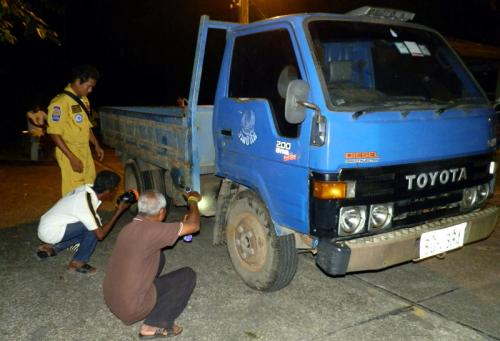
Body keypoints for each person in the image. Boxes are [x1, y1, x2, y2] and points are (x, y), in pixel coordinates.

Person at [103, 190, 201, 338]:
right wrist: (192, 200)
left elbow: (159, 232)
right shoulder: (152, 232)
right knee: (187, 276)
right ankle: (153, 325)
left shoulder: (129, 228)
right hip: (131, 308)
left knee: (159, 256)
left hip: (113, 299)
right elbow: (194, 226)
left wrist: (181, 225)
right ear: (162, 212)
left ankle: (144, 296)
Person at [36, 170, 130, 275]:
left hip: (47, 225)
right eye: (116, 188)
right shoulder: (86, 203)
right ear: (108, 191)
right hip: (51, 232)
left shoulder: (85, 189)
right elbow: (100, 235)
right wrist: (119, 211)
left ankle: (52, 247)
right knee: (94, 229)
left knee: (92, 225)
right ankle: (77, 263)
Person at [47, 64, 104, 196]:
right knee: (74, 190)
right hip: (69, 151)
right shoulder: (60, 102)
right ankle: (73, 216)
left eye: (92, 87)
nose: (90, 90)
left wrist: (96, 144)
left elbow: (85, 126)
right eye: (88, 86)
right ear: (78, 81)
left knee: (89, 185)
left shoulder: (84, 101)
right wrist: (71, 157)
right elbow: (54, 133)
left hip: (85, 150)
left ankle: (85, 214)